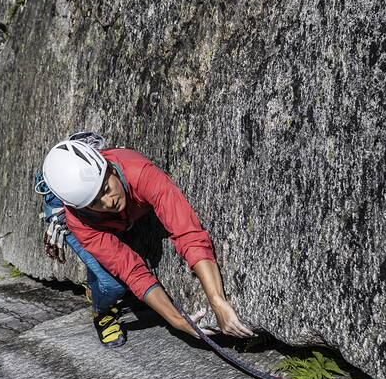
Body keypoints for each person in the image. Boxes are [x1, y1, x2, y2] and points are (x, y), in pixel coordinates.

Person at [36, 132, 254, 347]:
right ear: (84, 206)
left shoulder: (140, 172)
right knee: (112, 284)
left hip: (93, 200)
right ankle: (100, 312)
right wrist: (177, 321)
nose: (108, 202)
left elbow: (188, 232)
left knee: (110, 262)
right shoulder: (79, 221)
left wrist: (217, 301)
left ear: (110, 169)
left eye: (106, 189)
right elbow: (131, 271)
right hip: (74, 216)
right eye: (96, 202)